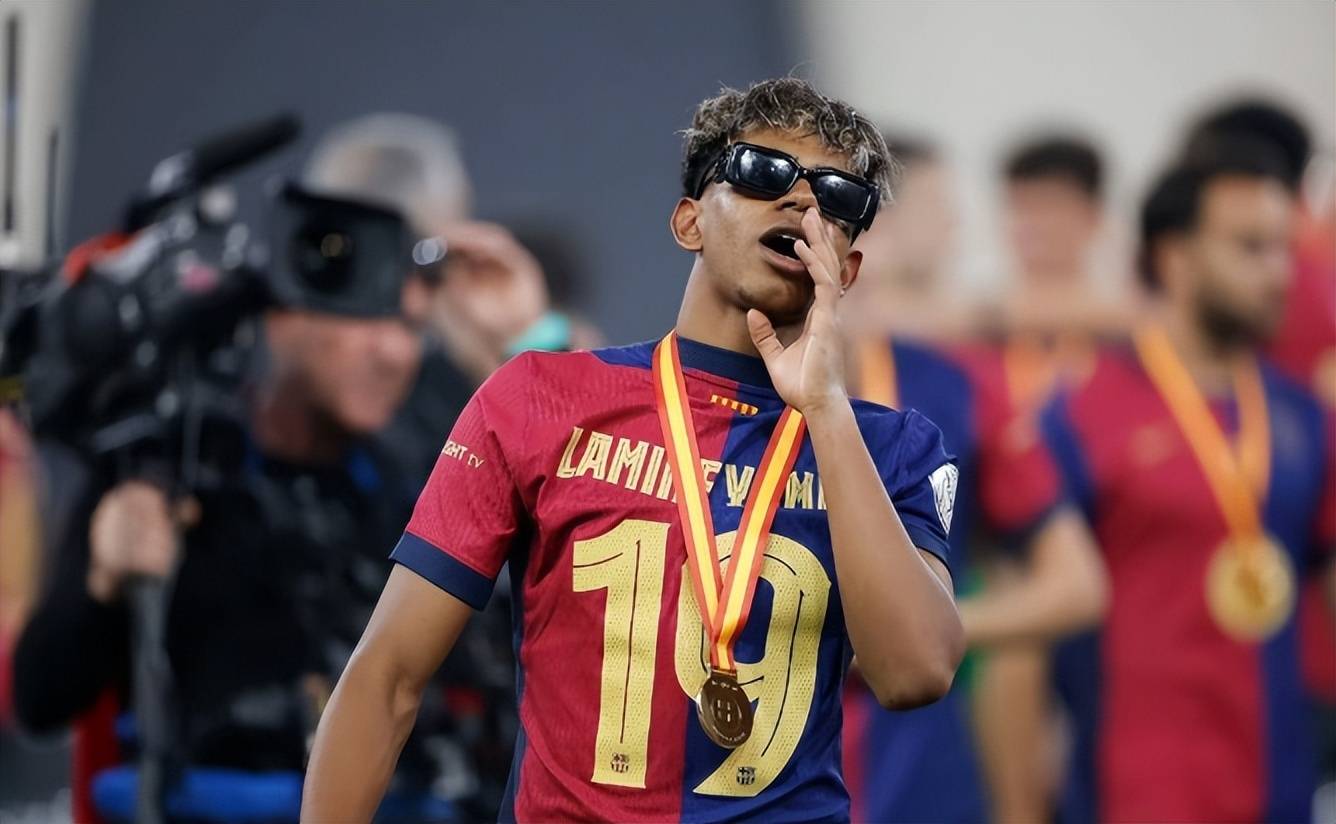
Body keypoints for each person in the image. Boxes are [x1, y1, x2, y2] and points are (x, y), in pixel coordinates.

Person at [303, 77, 966, 822]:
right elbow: (386, 677)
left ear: (846, 269)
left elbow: (915, 672)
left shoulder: (894, 447)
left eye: (837, 196)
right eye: (762, 172)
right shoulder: (535, 399)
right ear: (689, 221)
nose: (801, 202)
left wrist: (826, 409)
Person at [1044, 140, 1334, 822]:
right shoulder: (1084, 411)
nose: (1280, 273)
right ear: (1175, 258)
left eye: (1283, 249)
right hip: (1135, 796)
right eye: (1251, 248)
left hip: (1280, 792)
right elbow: (1033, 628)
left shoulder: (1302, 416)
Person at [841, 136, 1106, 823]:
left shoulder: (956, 384)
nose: (957, 226)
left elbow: (1075, 585)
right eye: (937, 207)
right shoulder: (731, 390)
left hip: (923, 775)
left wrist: (922, 629)